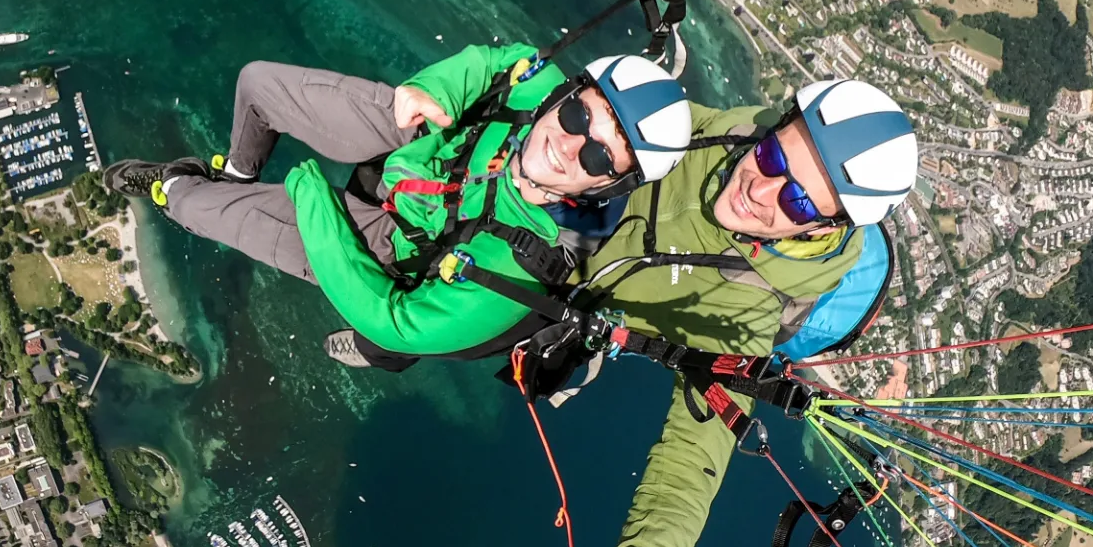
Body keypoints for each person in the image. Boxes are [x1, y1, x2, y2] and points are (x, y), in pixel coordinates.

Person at [528, 78, 919, 547]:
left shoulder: (744, 318)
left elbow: (686, 475)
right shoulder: (717, 134)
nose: (759, 189)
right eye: (772, 159)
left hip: (560, 291)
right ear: (768, 132)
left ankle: (591, 345)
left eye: (795, 197)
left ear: (825, 226)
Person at [102, 44, 694, 369]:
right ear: (567, 95)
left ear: (609, 187)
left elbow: (397, 320)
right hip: (416, 151)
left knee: (201, 209)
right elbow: (495, 64)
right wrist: (432, 92)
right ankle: (236, 168)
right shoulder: (536, 86)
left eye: (597, 158)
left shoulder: (527, 259)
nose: (568, 144)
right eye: (576, 116)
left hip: (397, 246)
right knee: (258, 84)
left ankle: (174, 185)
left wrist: (311, 194)